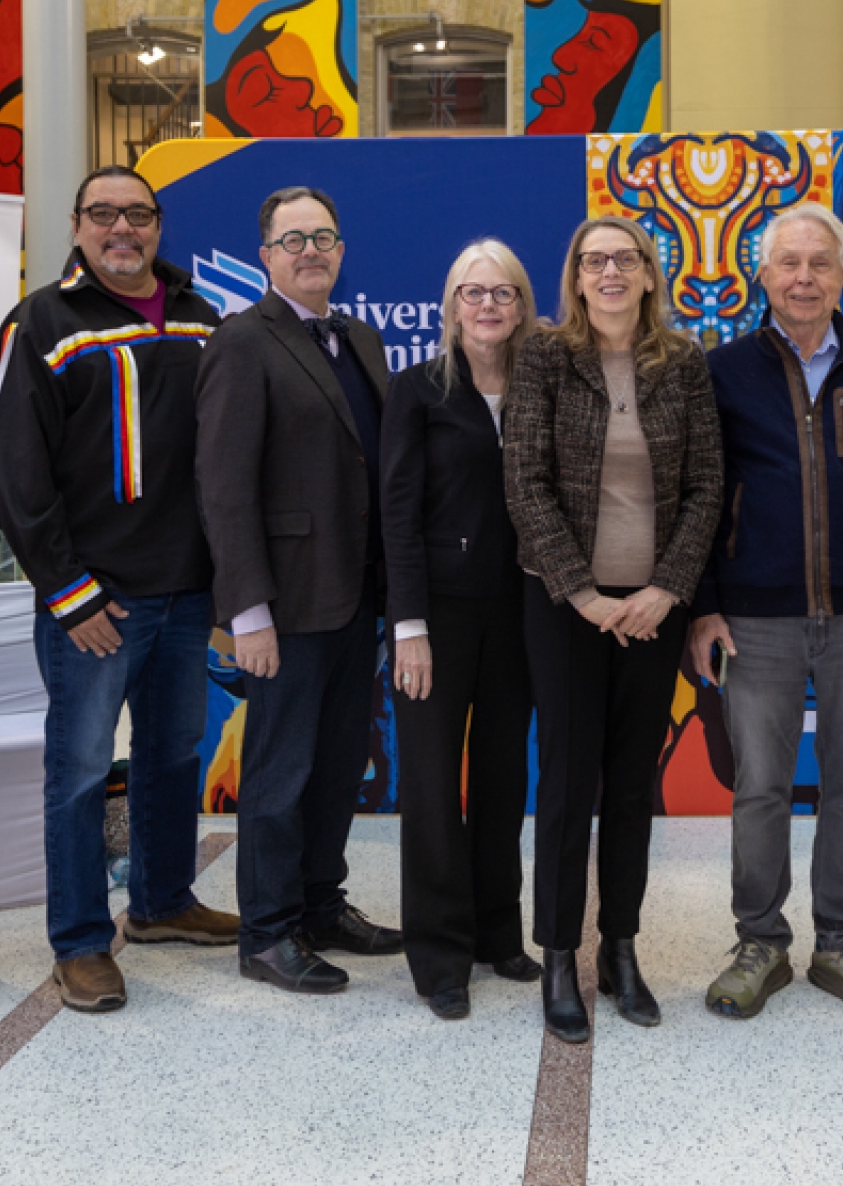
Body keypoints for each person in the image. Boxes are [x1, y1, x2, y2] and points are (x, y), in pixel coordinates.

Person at [0, 167, 238, 1016]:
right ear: (77, 224)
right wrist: (70, 593)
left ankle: (163, 901)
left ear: (159, 225)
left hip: (187, 591)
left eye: (137, 213)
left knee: (173, 755)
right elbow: (17, 476)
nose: (121, 227)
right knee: (82, 768)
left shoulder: (205, 316)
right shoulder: (41, 323)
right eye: (104, 213)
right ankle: (81, 941)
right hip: (96, 601)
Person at [688, 205, 843, 1025]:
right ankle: (759, 940)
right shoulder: (720, 372)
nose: (804, 277)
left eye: (820, 264)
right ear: (761, 275)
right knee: (758, 788)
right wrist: (702, 607)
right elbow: (695, 499)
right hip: (754, 621)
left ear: (841, 275)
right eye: (788, 263)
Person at [504, 213, 723, 1043]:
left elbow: (707, 483)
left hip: (652, 609)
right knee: (565, 783)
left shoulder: (684, 362)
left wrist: (668, 588)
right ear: (575, 276)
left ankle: (620, 948)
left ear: (646, 273)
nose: (608, 273)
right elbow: (524, 482)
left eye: (622, 258)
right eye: (593, 261)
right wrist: (584, 593)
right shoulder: (544, 358)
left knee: (633, 782)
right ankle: (559, 953)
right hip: (565, 607)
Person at [197, 186, 405, 995]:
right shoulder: (242, 342)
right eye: (293, 239)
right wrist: (247, 611)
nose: (310, 250)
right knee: (280, 774)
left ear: (342, 250)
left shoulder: (361, 338)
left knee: (336, 763)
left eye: (324, 236)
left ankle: (321, 902)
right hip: (282, 606)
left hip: (356, 598)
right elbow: (222, 485)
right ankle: (268, 930)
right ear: (267, 256)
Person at [384, 240, 544, 1020]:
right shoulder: (416, 390)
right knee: (432, 785)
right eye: (471, 292)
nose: (487, 305)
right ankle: (441, 956)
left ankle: (496, 932)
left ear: (522, 305)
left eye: (503, 292)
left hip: (521, 613)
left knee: (504, 777)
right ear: (449, 307)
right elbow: (396, 513)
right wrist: (406, 625)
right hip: (436, 618)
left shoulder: (542, 387)